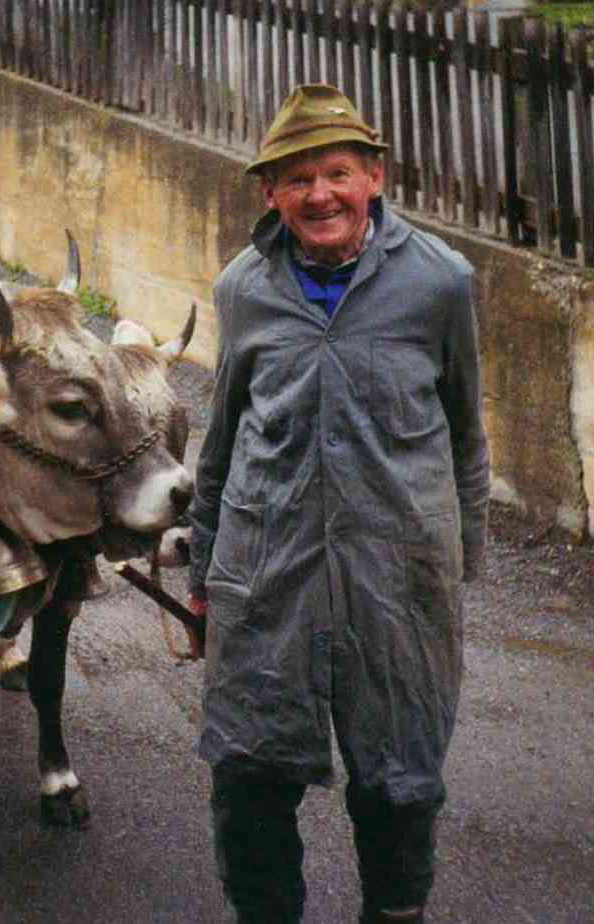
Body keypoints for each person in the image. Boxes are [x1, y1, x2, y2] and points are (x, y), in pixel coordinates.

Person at [186, 84, 490, 924]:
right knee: (248, 780)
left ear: (376, 179)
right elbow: (222, 438)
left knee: (399, 786)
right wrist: (202, 569)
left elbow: (466, 436)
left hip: (396, 584)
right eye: (297, 179)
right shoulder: (243, 289)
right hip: (266, 572)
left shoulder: (442, 285)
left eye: (338, 174)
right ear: (270, 193)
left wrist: (454, 571)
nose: (320, 195)